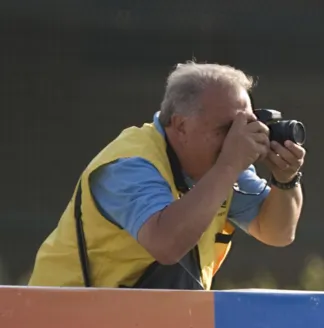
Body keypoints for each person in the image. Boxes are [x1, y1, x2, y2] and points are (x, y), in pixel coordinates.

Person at [28, 61, 305, 290]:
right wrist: (228, 166)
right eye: (225, 128)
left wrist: (285, 179)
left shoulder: (224, 166)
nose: (238, 138)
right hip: (60, 322)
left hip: (136, 326)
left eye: (244, 124)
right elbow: (166, 245)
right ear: (181, 125)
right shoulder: (129, 165)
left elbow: (277, 232)